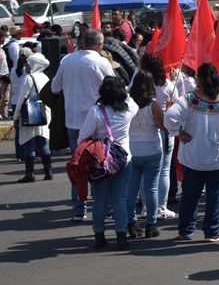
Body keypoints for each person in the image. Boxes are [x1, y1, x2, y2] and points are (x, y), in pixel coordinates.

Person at [165, 63, 219, 242]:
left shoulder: (188, 100)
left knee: (190, 195)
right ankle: (212, 231)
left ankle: (186, 231)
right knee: (215, 195)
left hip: (195, 157)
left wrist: (178, 132)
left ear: (199, 80)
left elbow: (169, 118)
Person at [51, 30, 115, 221]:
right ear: (98, 45)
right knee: (102, 165)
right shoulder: (101, 62)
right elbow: (114, 87)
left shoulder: (67, 61)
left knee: (78, 165)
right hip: (98, 122)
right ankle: (106, 208)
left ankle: (79, 209)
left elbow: (55, 87)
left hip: (73, 121)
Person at [78, 76, 139, 250]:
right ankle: (121, 237)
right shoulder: (129, 109)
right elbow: (130, 98)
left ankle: (99, 236)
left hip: (100, 161)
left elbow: (82, 138)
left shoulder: (96, 112)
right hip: (123, 159)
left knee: (100, 200)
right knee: (119, 199)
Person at [126, 70, 167, 239]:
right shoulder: (153, 104)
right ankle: (151, 224)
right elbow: (163, 126)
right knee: (151, 189)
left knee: (130, 190)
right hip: (151, 150)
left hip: (131, 150)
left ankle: (131, 222)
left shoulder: (127, 102)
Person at [139, 54, 177, 219]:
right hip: (164, 130)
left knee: (144, 171)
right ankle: (161, 206)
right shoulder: (168, 85)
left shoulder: (139, 87)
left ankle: (146, 207)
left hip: (144, 131)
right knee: (164, 171)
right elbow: (177, 104)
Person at [13, 53, 52, 183]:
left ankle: (30, 174)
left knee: (29, 142)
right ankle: (48, 172)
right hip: (43, 113)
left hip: (30, 114)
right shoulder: (45, 77)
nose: (25, 66)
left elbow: (21, 99)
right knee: (42, 142)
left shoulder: (29, 78)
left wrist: (15, 116)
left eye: (28, 64)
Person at [10, 48, 34, 160]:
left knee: (18, 130)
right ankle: (27, 153)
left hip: (14, 101)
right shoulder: (28, 70)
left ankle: (19, 154)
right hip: (25, 101)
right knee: (27, 130)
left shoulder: (13, 70)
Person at [0, 30, 11, 119]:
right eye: (4, 37)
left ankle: (4, 115)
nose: (5, 39)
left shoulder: (2, 49)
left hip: (6, 76)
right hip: (1, 77)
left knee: (6, 98)